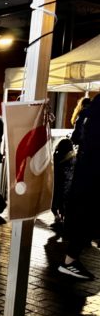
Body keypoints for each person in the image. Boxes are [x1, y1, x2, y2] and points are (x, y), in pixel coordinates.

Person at [58, 94, 100, 280]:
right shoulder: (96, 110)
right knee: (86, 216)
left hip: (87, 172)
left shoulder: (90, 110)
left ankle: (70, 261)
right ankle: (69, 261)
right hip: (93, 174)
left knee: (85, 216)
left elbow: (79, 138)